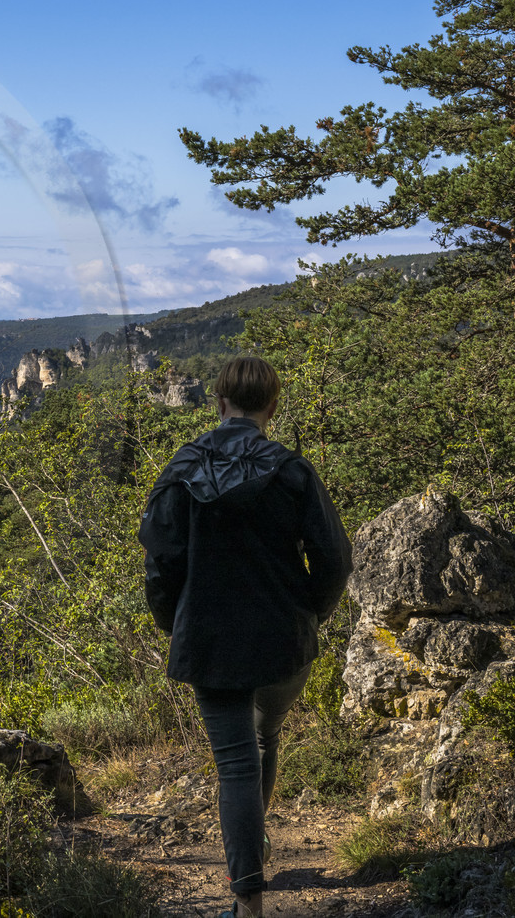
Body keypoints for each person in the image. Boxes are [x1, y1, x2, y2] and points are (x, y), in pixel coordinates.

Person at [138, 356, 351, 918]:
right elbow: (334, 557)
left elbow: (161, 561)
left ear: (221, 402)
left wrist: (174, 621)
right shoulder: (293, 471)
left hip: (209, 638)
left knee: (235, 761)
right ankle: (253, 854)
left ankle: (248, 900)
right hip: (282, 637)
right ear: (272, 408)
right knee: (264, 739)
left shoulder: (184, 468)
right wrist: (311, 610)